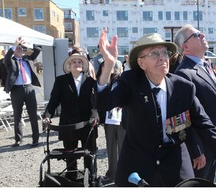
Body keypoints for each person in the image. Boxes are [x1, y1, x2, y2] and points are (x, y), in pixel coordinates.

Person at [96, 28, 216, 187]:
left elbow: (204, 123)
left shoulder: (183, 87)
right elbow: (104, 103)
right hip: (138, 163)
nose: (162, 57)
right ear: (141, 63)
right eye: (154, 53)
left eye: (164, 53)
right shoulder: (131, 82)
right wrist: (108, 65)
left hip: (176, 161)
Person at [174, 24, 216, 182]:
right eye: (196, 35)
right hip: (200, 151)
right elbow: (182, 117)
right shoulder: (184, 73)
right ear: (185, 46)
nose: (202, 36)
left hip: (213, 144)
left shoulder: (206, 66)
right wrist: (196, 150)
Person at [43, 52, 99, 180]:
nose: (77, 64)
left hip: (87, 124)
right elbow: (53, 101)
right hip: (68, 124)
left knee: (89, 154)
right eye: (73, 62)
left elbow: (95, 102)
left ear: (83, 66)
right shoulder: (61, 81)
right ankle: (71, 179)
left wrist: (95, 115)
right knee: (70, 156)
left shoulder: (90, 81)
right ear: (69, 65)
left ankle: (90, 179)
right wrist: (47, 115)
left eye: (79, 62)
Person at [4, 37, 41, 147]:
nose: (20, 49)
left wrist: (28, 43)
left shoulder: (28, 59)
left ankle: (35, 139)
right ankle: (18, 139)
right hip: (16, 90)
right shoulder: (11, 61)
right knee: (17, 116)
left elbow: (38, 50)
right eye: (18, 48)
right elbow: (6, 57)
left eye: (21, 48)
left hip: (29, 88)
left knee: (33, 115)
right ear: (14, 50)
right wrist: (15, 45)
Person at [96, 60, 126, 183]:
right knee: (111, 148)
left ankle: (123, 174)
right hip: (109, 121)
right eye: (104, 67)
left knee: (123, 148)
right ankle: (112, 174)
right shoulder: (103, 82)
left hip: (122, 120)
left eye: (109, 67)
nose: (106, 69)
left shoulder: (123, 81)